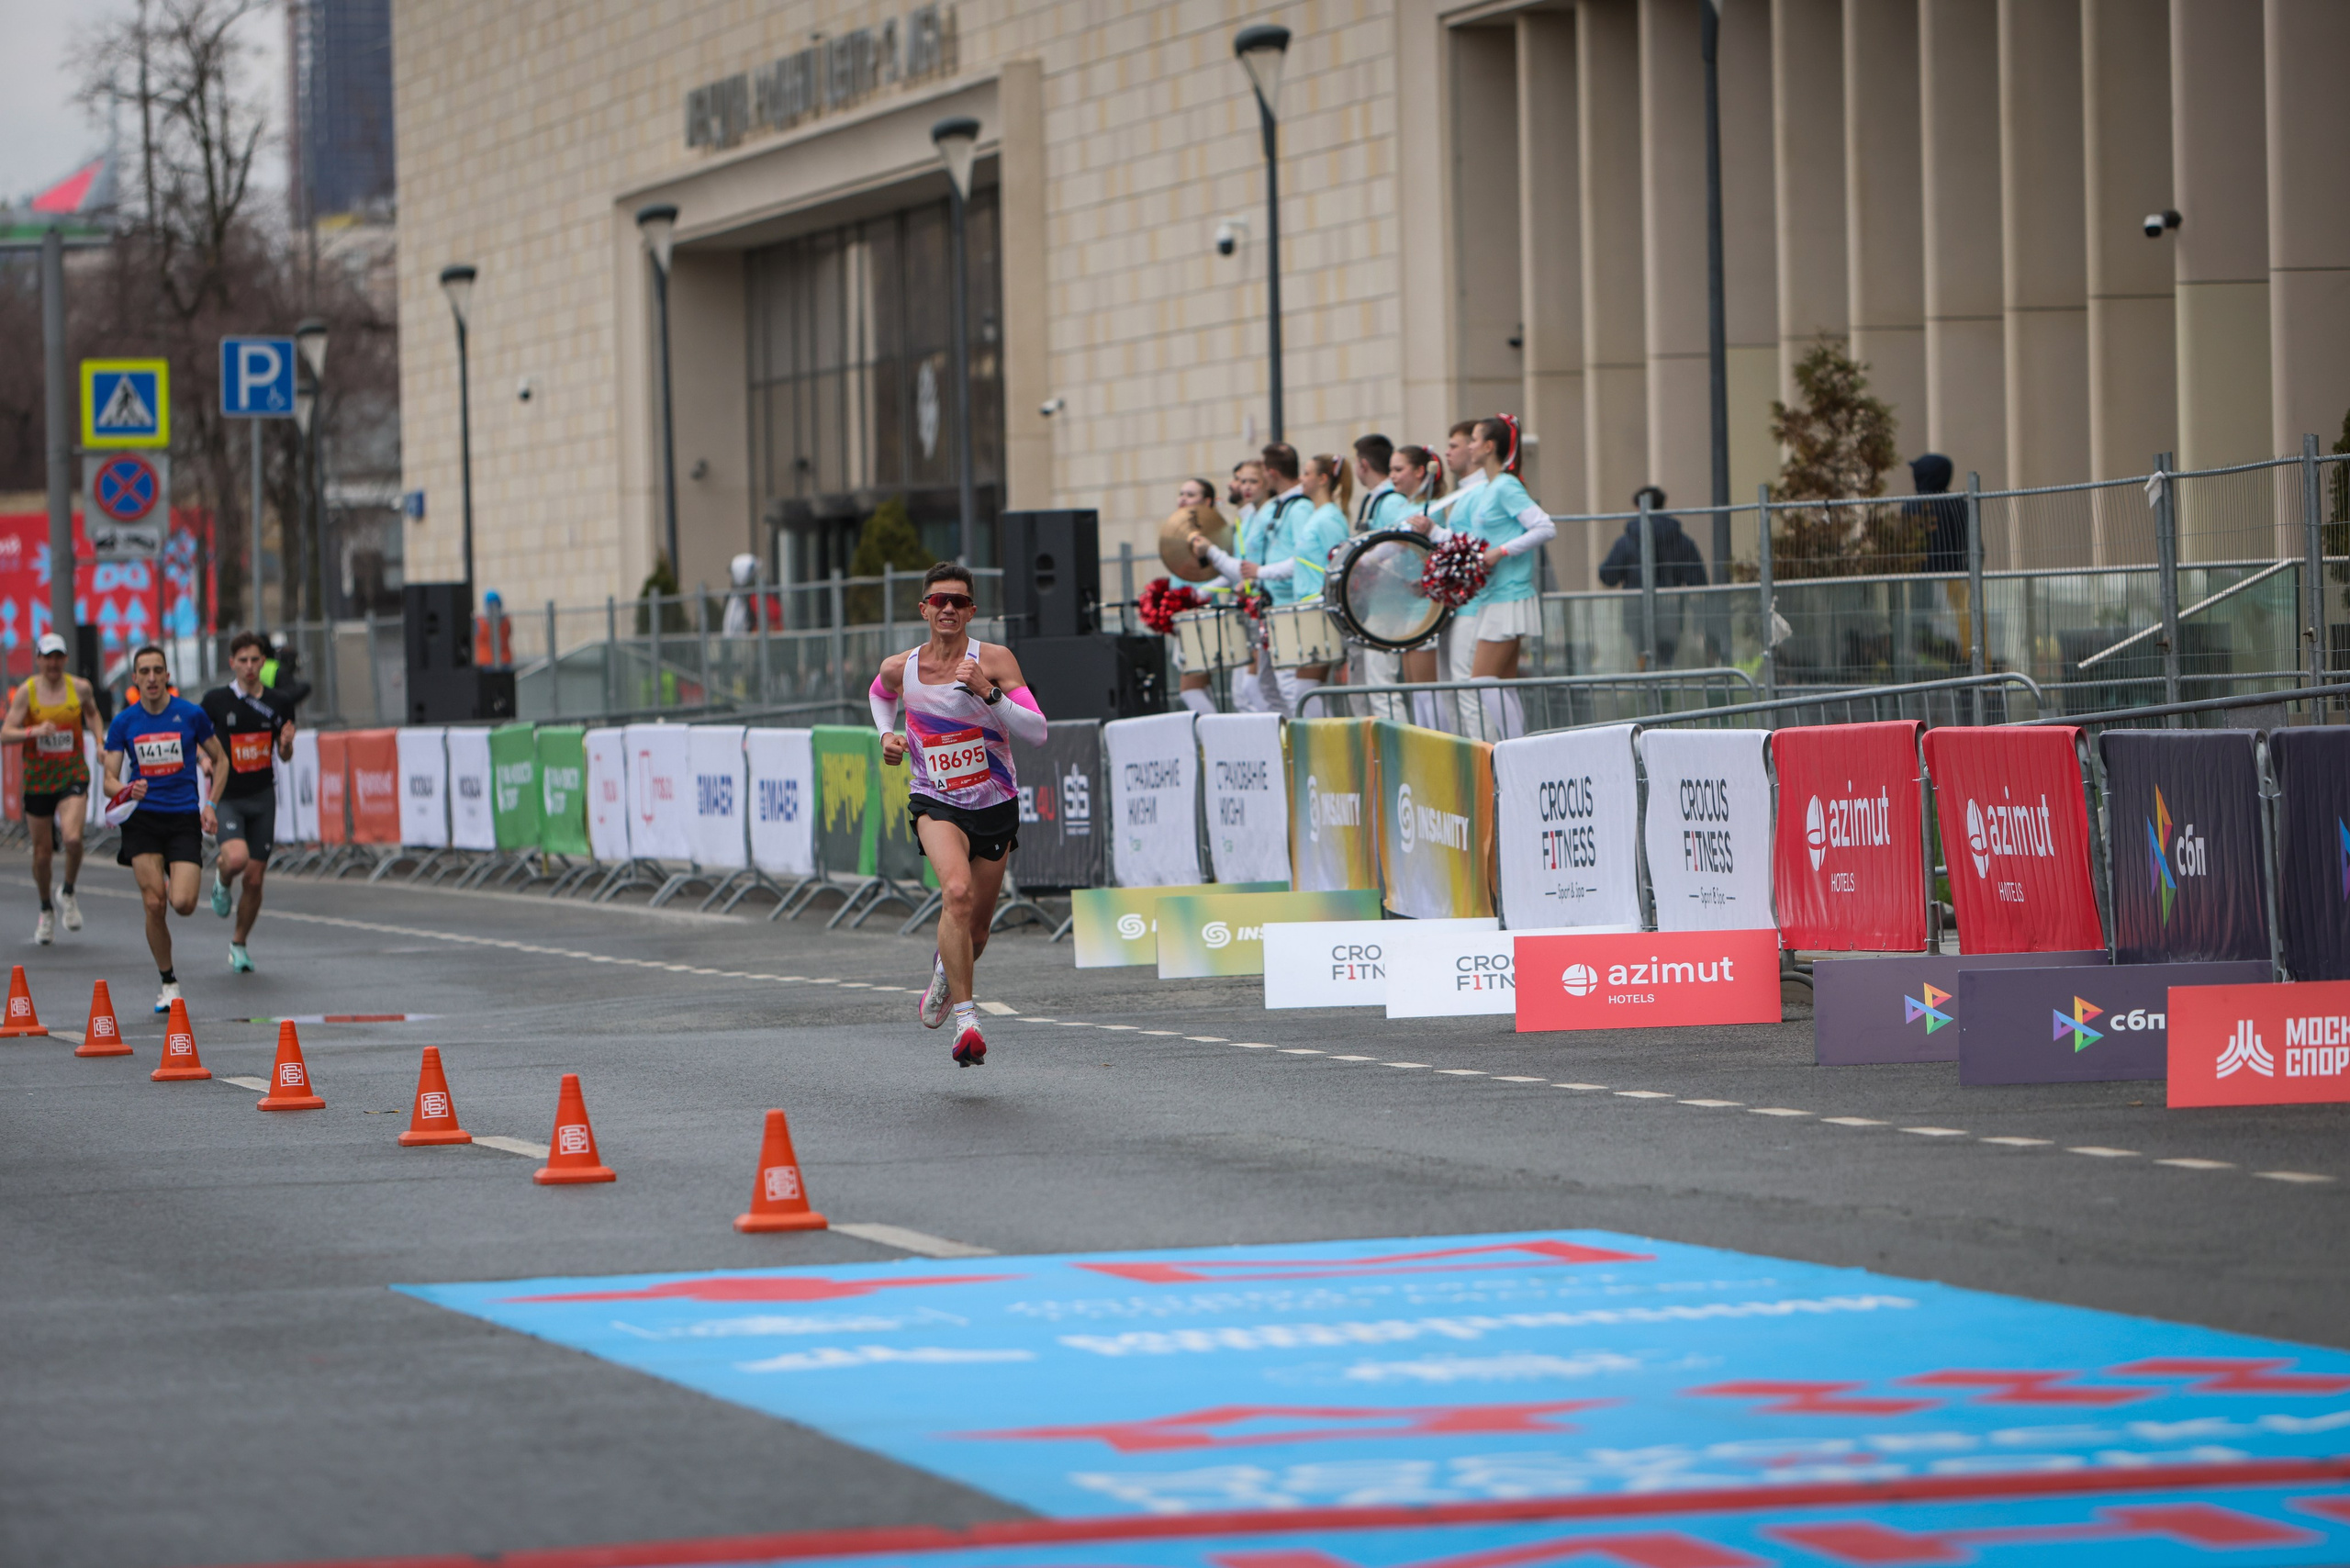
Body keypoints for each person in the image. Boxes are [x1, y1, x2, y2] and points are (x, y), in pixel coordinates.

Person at [873, 562, 1049, 1067]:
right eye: (938, 600)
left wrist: (988, 693)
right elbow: (879, 693)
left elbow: (1037, 732)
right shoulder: (902, 666)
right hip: (936, 798)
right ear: (924, 608)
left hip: (994, 800)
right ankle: (967, 1020)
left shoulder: (993, 660)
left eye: (958, 601)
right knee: (956, 892)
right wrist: (887, 734)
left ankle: (944, 974)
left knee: (976, 932)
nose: (947, 608)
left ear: (972, 610)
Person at [1409, 416, 1557, 737]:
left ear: (1489, 447)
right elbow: (1470, 543)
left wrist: (1499, 552)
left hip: (1509, 595)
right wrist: (1433, 531)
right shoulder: (1490, 489)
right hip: (1494, 597)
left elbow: (1545, 527)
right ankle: (1516, 752)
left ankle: (1513, 752)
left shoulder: (1505, 485)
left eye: (1473, 440)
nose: (1470, 446)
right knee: (1500, 686)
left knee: (1482, 683)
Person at [102, 645, 229, 1014]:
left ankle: (178, 875)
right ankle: (168, 981)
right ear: (136, 678)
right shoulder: (124, 722)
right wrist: (126, 789)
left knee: (184, 904)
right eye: (145, 671)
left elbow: (220, 760)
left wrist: (211, 804)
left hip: (182, 817)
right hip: (142, 819)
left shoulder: (190, 715)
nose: (153, 677)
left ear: (167, 675)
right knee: (154, 902)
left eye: (159, 670)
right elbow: (109, 779)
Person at [199, 632, 297, 972]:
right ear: (232, 664)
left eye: (256, 660)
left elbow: (284, 755)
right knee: (237, 859)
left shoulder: (280, 701)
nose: (250, 667)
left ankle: (239, 944)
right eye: (243, 661)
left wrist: (285, 744)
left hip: (262, 795)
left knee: (255, 879)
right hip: (228, 795)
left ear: (263, 662)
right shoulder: (215, 701)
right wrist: (204, 759)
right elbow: (198, 740)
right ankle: (222, 880)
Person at [0, 633, 101, 943]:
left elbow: (93, 714)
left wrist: (98, 741)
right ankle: (46, 909)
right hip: (38, 778)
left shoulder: (80, 688)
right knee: (42, 854)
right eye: (48, 657)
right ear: (39, 660)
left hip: (71, 772)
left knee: (72, 838)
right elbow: (6, 733)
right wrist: (33, 731)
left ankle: (68, 891)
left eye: (59, 657)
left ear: (66, 659)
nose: (54, 663)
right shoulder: (27, 692)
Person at [1597, 486, 1709, 668]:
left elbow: (1607, 576)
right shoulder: (1682, 541)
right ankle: (1664, 692)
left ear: (1637, 507)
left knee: (1643, 660)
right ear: (1663, 506)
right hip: (1670, 610)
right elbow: (1698, 581)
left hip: (1636, 610)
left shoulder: (1626, 542)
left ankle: (1646, 692)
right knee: (1666, 662)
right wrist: (1698, 615)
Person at [1170, 477, 1225, 717]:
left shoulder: (1212, 533)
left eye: (1190, 495)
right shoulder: (1180, 533)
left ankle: (1217, 736)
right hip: (1186, 616)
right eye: (1182, 493)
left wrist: (1200, 594)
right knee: (1199, 688)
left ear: (1207, 502)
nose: (1183, 499)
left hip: (1200, 617)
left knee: (1189, 689)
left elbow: (1228, 572)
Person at [1352, 434, 1409, 533]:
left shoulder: (1392, 501)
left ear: (1363, 465)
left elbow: (1401, 544)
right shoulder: (1378, 497)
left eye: (1356, 462)